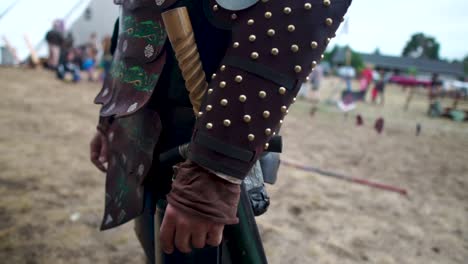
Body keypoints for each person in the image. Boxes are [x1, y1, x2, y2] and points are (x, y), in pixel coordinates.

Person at [89, 1, 352, 263]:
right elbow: (135, 19)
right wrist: (111, 119)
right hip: (141, 136)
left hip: (204, 135)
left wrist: (212, 170)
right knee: (153, 245)